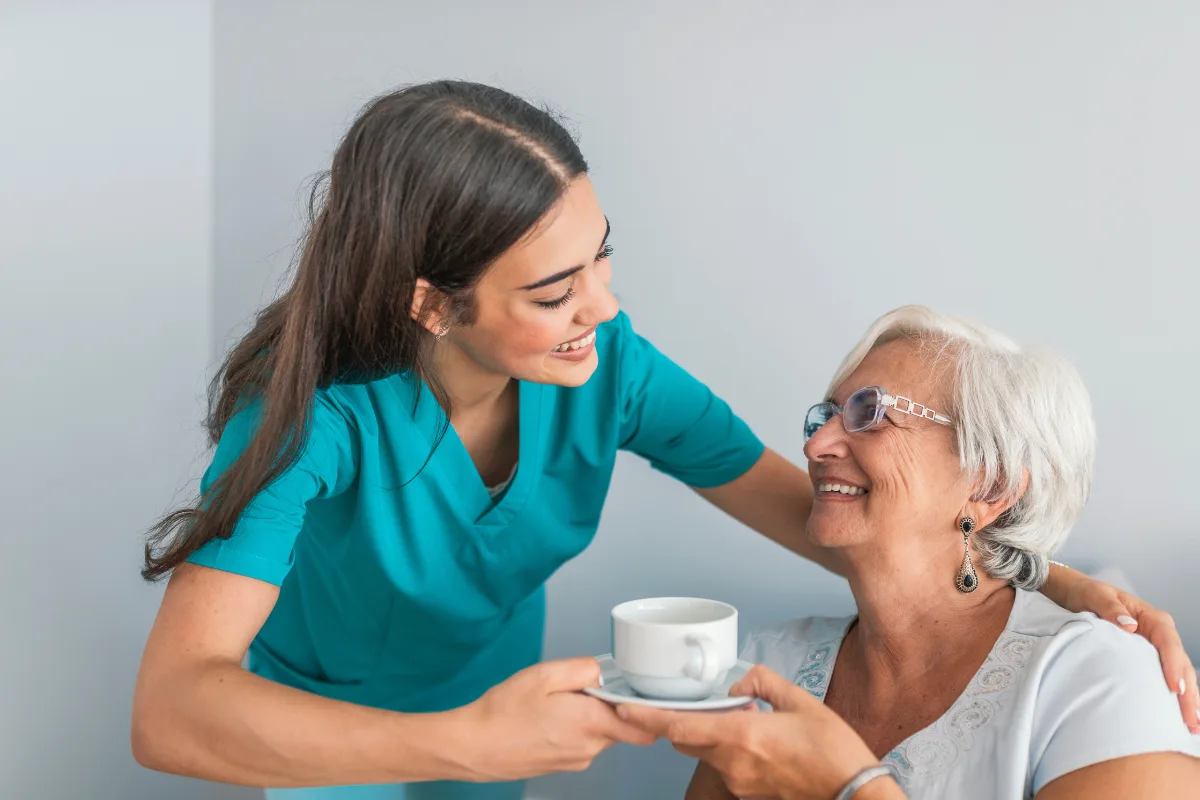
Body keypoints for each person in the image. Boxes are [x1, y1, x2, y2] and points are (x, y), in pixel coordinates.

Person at [130, 82, 1190, 800]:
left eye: (601, 258)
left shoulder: (609, 366)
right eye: (556, 292)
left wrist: (1048, 581)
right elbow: (173, 709)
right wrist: (469, 736)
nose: (605, 304)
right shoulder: (312, 416)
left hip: (500, 726)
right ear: (434, 305)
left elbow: (829, 513)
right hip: (319, 733)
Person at [621, 305, 1200, 800]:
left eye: (870, 413)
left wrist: (853, 786)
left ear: (991, 484)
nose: (815, 444)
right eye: (825, 417)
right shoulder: (770, 664)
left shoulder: (1098, 677)